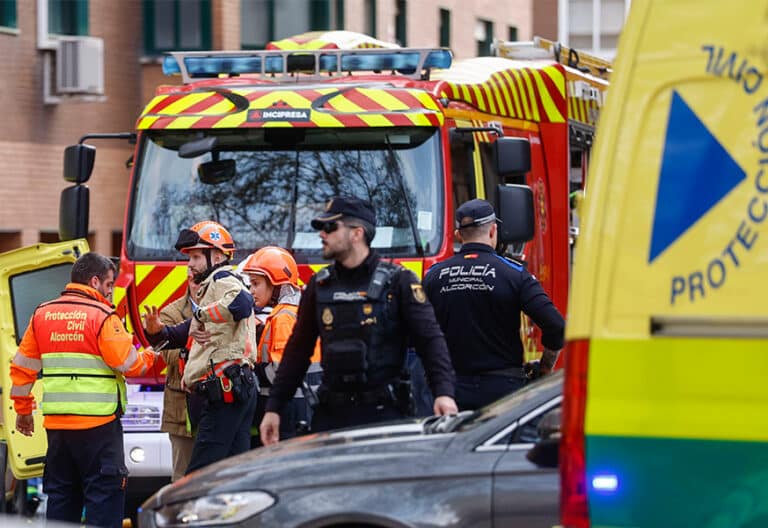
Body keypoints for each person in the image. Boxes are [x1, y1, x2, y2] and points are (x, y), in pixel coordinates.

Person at [260, 196, 458, 445]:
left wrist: (444, 393)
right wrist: (274, 407)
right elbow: (297, 352)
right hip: (331, 416)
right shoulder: (319, 285)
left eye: (331, 227)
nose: (322, 234)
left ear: (357, 233)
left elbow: (430, 342)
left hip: (385, 416)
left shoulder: (399, 282)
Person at [10, 252, 158, 528]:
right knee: (103, 501)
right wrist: (151, 353)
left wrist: (23, 412)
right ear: (94, 281)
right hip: (98, 428)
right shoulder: (102, 316)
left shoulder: (43, 314)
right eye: (110, 284)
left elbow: (21, 368)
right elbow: (131, 366)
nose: (112, 291)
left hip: (57, 430)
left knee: (62, 500)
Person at [423, 199, 565, 410]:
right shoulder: (514, 274)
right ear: (493, 231)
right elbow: (556, 326)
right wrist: (544, 368)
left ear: (458, 235)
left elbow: (415, 332)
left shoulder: (433, 275)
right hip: (503, 392)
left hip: (449, 390)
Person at [143, 220, 258, 474]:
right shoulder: (212, 288)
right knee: (232, 473)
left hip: (224, 391)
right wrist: (156, 331)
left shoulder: (222, 277)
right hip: (234, 389)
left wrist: (201, 316)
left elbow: (242, 303)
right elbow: (175, 336)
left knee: (198, 475)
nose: (191, 264)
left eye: (196, 256)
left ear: (216, 256)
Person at [241, 246, 321, 445]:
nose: (251, 290)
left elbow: (281, 371)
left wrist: (252, 372)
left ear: (276, 285)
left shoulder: (284, 317)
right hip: (298, 402)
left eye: (256, 283)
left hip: (291, 406)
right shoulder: (291, 311)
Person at [158, 269, 200, 481]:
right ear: (189, 281)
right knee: (183, 479)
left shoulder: (224, 308)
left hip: (216, 409)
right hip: (182, 412)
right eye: (196, 280)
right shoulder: (170, 314)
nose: (199, 285)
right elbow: (170, 356)